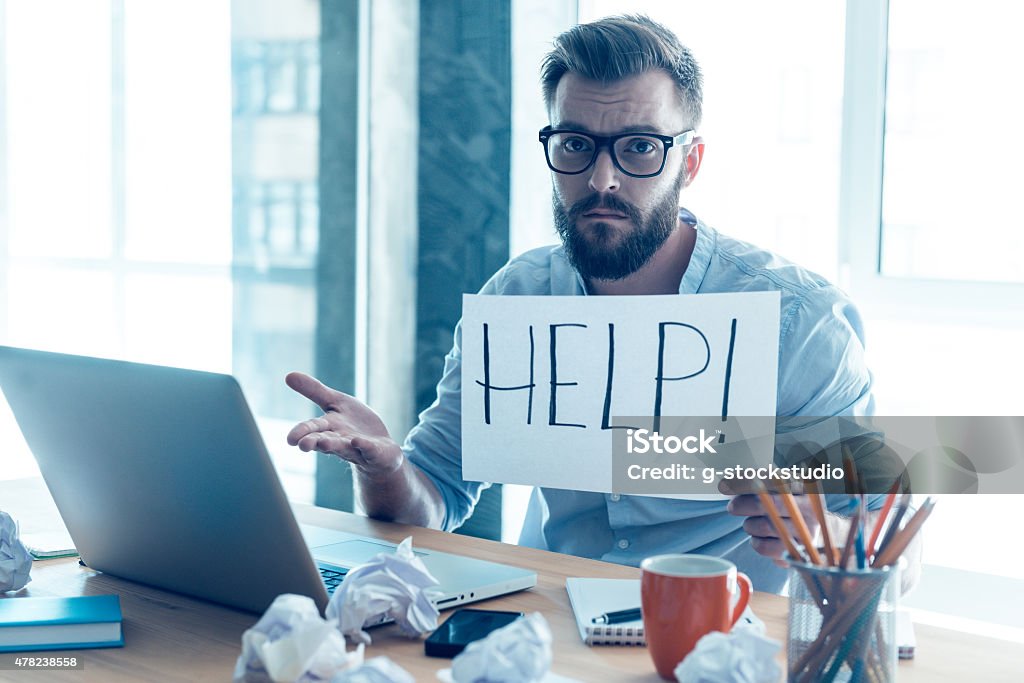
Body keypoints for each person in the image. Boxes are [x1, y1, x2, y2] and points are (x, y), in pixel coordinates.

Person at [286, 15, 915, 593]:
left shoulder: (798, 323)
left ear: (689, 162)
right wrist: (387, 466)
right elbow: (434, 499)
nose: (601, 179)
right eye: (575, 144)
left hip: (718, 638)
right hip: (544, 628)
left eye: (640, 146)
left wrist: (827, 539)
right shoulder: (519, 297)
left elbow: (894, 553)